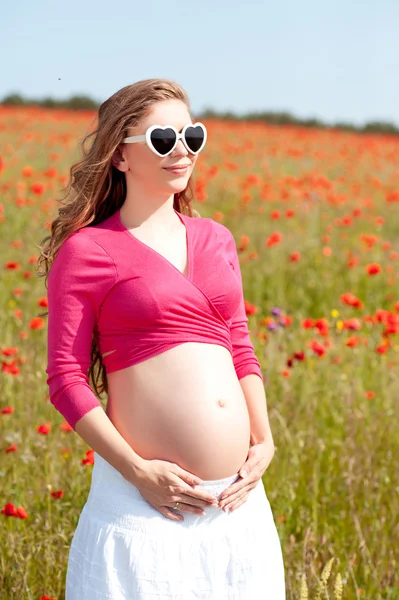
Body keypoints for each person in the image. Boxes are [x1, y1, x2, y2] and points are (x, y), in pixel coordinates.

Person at [39, 78, 286, 599]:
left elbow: (238, 344)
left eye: (191, 136)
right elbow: (64, 378)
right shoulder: (88, 251)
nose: (181, 151)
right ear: (120, 156)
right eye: (162, 140)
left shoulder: (215, 239)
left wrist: (263, 439)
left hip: (236, 507)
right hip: (144, 505)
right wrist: (137, 472)